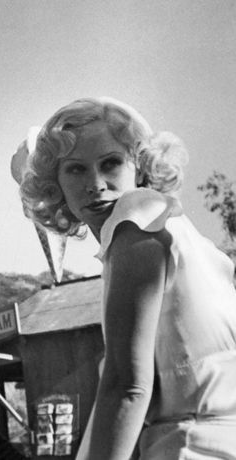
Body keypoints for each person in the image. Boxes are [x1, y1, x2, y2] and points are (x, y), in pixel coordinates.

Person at [13, 97, 236, 459]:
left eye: (111, 163)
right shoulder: (191, 239)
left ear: (139, 167)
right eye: (76, 169)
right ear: (56, 185)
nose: (96, 184)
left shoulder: (136, 217)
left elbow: (127, 386)